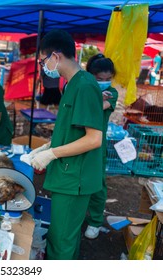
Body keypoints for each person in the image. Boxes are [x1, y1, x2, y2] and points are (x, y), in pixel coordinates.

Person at [24, 29, 103, 260]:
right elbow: (72, 130)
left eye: (43, 60)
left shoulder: (85, 86)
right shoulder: (71, 85)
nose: (43, 66)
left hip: (75, 177)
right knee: (64, 236)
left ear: (56, 56)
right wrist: (48, 146)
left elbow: (94, 138)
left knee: (61, 242)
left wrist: (52, 154)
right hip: (67, 174)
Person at [84, 54, 118, 239]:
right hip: (77, 141)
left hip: (97, 145)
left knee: (98, 184)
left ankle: (95, 221)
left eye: (108, 79)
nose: (104, 83)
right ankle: (78, 214)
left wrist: (94, 96)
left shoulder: (112, 93)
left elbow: (96, 108)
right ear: (90, 76)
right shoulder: (83, 88)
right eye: (99, 79)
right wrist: (94, 93)